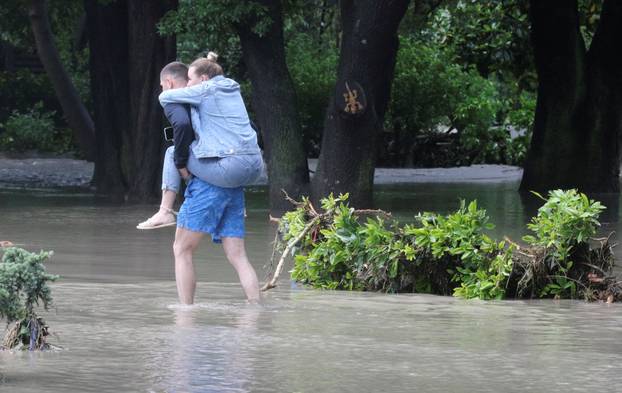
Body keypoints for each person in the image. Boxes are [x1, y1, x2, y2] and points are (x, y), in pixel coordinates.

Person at [146, 55, 262, 304]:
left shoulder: (204, 90)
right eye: (185, 80)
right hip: (247, 171)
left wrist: (182, 165)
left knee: (182, 249)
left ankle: (185, 314)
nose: (188, 85)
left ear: (204, 79)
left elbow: (175, 115)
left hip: (221, 175)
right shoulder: (231, 92)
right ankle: (257, 310)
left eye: (191, 79)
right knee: (238, 255)